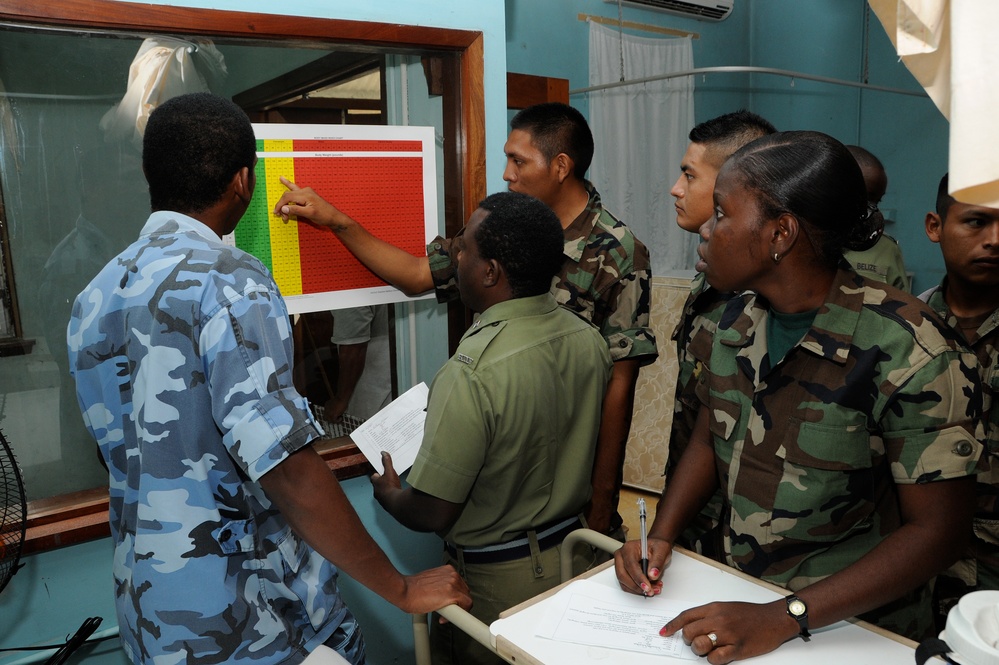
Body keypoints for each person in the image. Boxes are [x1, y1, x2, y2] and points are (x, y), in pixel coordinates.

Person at [67, 92, 470, 665]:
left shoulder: (95, 296)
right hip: (251, 622)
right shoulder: (231, 279)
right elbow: (288, 467)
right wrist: (400, 587)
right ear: (242, 182)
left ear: (149, 174)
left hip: (150, 620)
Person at [615, 130, 984, 662]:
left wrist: (787, 616)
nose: (707, 230)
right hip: (743, 596)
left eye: (722, 214)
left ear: (779, 234)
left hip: (855, 629)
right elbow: (707, 436)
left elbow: (938, 532)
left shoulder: (910, 348)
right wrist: (662, 537)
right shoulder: (732, 322)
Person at [273, 102, 657, 538]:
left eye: (518, 160)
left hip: (564, 475)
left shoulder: (619, 251)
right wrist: (337, 221)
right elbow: (419, 274)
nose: (507, 174)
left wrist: (602, 503)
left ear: (560, 166)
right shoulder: (500, 225)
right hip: (496, 466)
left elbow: (618, 389)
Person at [370, 191, 613, 665]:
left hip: (498, 585)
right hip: (577, 560)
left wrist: (390, 496)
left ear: (490, 272)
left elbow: (433, 512)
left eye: (464, 249)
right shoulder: (587, 338)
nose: (454, 257)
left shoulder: (470, 372)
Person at [667, 110, 776, 559]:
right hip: (691, 504)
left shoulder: (763, 287)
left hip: (739, 523)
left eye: (689, 175)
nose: (676, 188)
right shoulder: (711, 274)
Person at [922, 173, 999, 629]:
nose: (995, 240)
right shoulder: (904, 330)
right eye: (976, 222)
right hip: (916, 565)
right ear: (935, 226)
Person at [843, 144, 910, 291]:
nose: (871, 210)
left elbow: (902, 307)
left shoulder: (886, 249)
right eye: (865, 198)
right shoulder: (802, 240)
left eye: (877, 201)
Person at [325, 304, 392, 423]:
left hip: (373, 396)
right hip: (397, 385)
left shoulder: (348, 289)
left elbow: (354, 346)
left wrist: (341, 399)